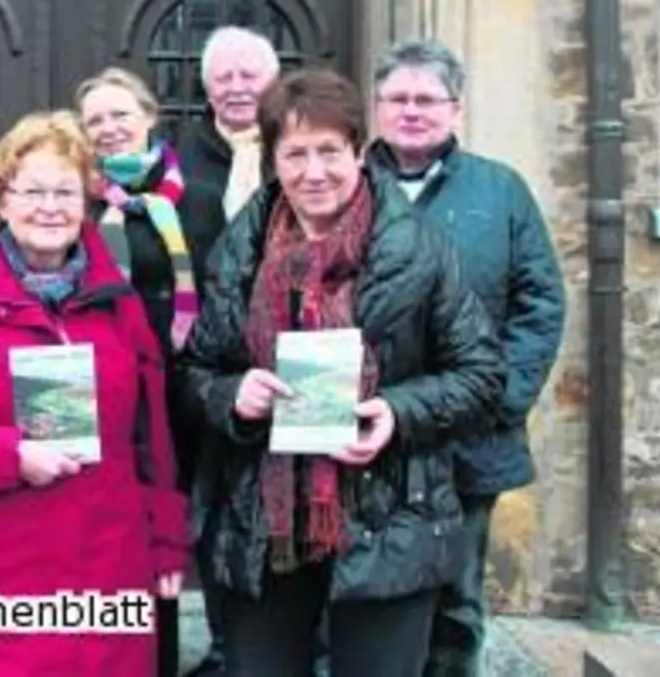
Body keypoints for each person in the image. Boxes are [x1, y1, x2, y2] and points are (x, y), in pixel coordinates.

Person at [180, 65, 506, 675]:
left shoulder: (420, 247)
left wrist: (396, 413)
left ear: (359, 151)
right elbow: (196, 368)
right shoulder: (240, 249)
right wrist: (232, 395)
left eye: (330, 151)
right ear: (272, 159)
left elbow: (481, 373)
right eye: (295, 153)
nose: (314, 172)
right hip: (265, 521)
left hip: (389, 512)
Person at [0, 111, 190, 675]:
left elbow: (152, 439)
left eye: (66, 191)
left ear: (88, 202)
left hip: (105, 564)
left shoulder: (118, 303)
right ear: (0, 201)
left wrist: (167, 540)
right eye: (33, 191)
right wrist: (7, 455)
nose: (50, 206)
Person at [364, 39, 566, 677]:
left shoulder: (500, 191)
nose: (412, 111)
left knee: (458, 598)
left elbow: (541, 301)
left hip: (468, 435)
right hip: (367, 433)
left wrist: (498, 400)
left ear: (456, 110)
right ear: (377, 108)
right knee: (360, 592)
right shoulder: (344, 184)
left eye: (427, 99)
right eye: (398, 98)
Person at [76, 67, 201, 677]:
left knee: (163, 539)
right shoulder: (74, 198)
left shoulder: (191, 196)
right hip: (99, 395)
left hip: (174, 390)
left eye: (120, 114)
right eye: (95, 120)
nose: (108, 128)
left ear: (150, 117)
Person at [173, 25, 281, 676]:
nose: (237, 87)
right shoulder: (177, 156)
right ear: (207, 85)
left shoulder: (297, 147)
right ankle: (223, 647)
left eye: (250, 75)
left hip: (287, 363)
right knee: (212, 515)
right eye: (224, 77)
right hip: (209, 370)